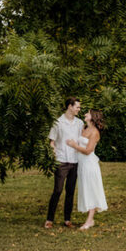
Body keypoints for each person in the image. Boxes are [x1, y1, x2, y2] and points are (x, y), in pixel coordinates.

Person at [67, 109, 108, 230]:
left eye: (88, 113)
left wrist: (74, 146)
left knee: (91, 190)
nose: (85, 114)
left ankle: (89, 220)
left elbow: (88, 150)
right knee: (85, 189)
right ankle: (90, 219)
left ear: (93, 117)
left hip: (89, 164)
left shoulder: (95, 132)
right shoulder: (84, 128)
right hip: (81, 165)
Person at [45, 97, 83, 228]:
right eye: (77, 107)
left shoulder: (79, 123)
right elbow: (52, 141)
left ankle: (67, 219)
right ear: (70, 107)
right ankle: (49, 219)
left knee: (70, 191)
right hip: (61, 161)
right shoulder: (58, 122)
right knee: (58, 190)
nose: (79, 109)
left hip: (75, 161)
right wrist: (54, 156)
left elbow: (82, 141)